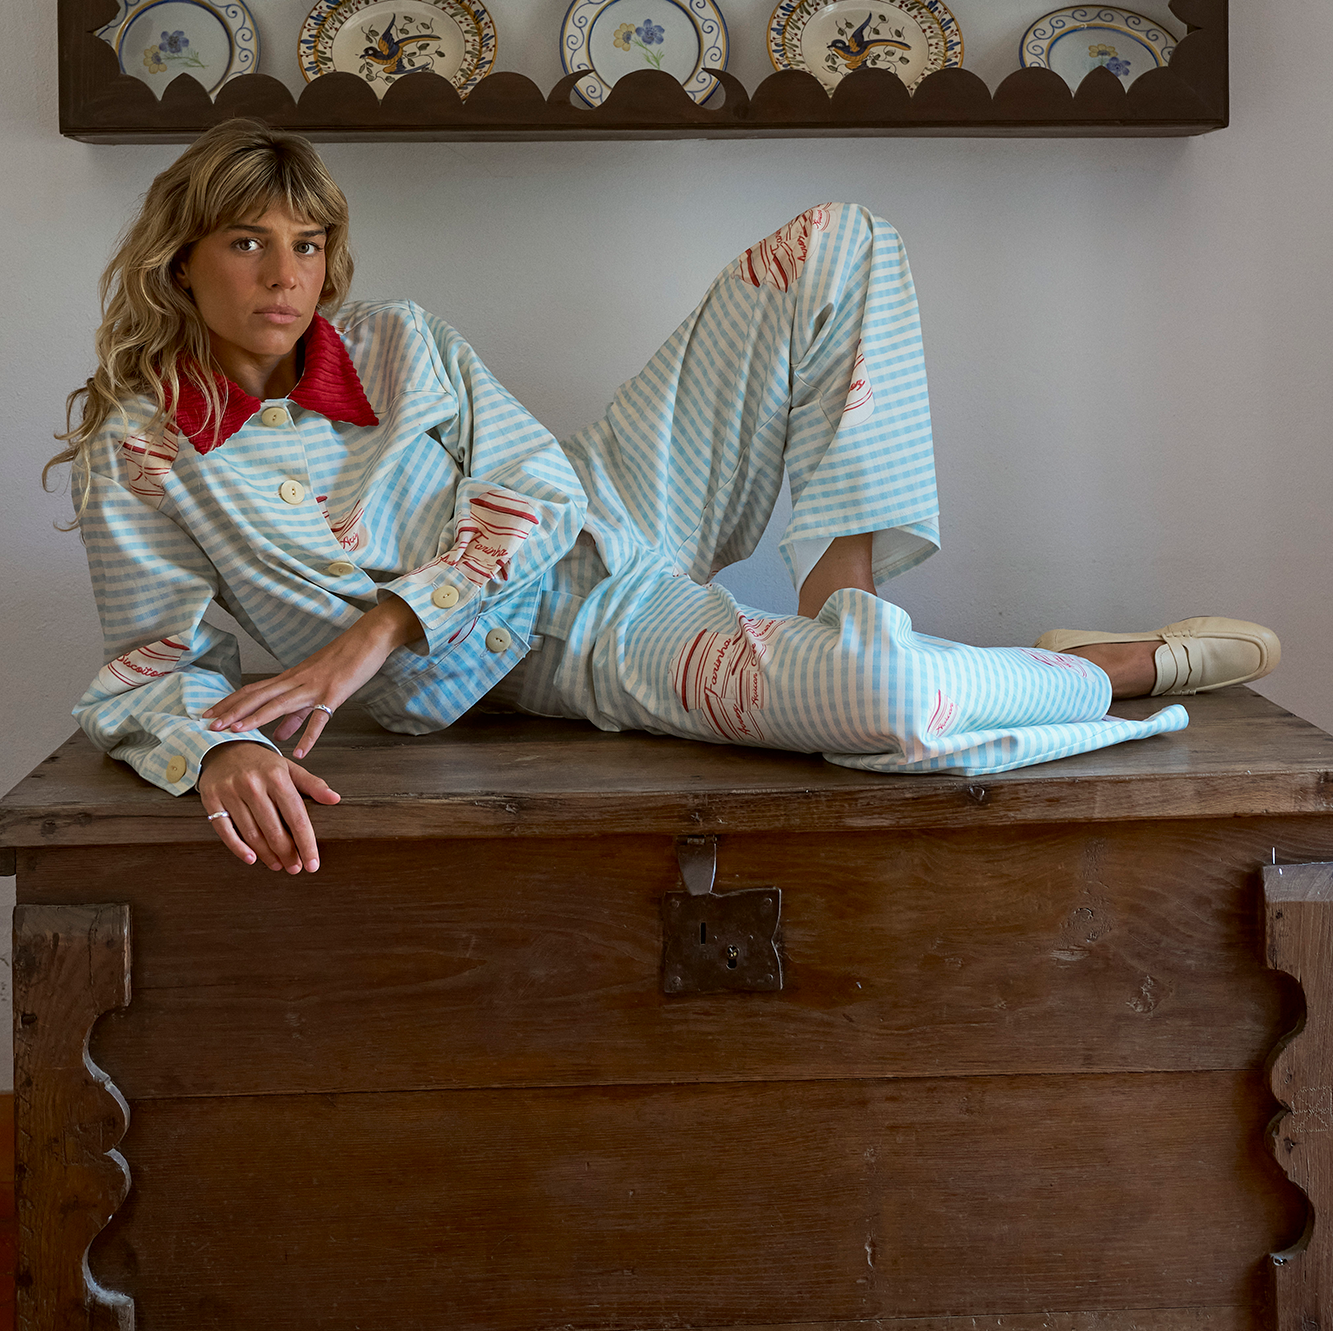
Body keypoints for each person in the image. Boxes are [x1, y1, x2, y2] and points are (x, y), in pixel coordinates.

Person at [49, 120, 1279, 878]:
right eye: (247, 242)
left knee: (838, 236)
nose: (286, 274)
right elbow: (154, 663)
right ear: (181, 259)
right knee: (885, 700)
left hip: (610, 498)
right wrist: (218, 751)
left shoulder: (396, 339)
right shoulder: (140, 451)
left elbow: (538, 483)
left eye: (307, 242)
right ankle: (1106, 666)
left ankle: (841, 603)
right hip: (578, 635)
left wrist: (378, 627)